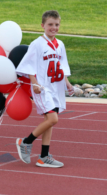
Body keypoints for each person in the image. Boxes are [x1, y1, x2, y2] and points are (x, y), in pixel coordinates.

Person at [15, 10, 74, 168]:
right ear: (43, 25)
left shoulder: (60, 44)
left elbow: (61, 67)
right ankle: (25, 142)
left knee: (49, 122)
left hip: (56, 87)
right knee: (53, 119)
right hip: (42, 88)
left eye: (57, 24)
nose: (54, 27)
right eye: (50, 24)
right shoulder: (37, 43)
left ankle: (43, 157)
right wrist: (34, 83)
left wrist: (67, 83)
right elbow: (29, 66)